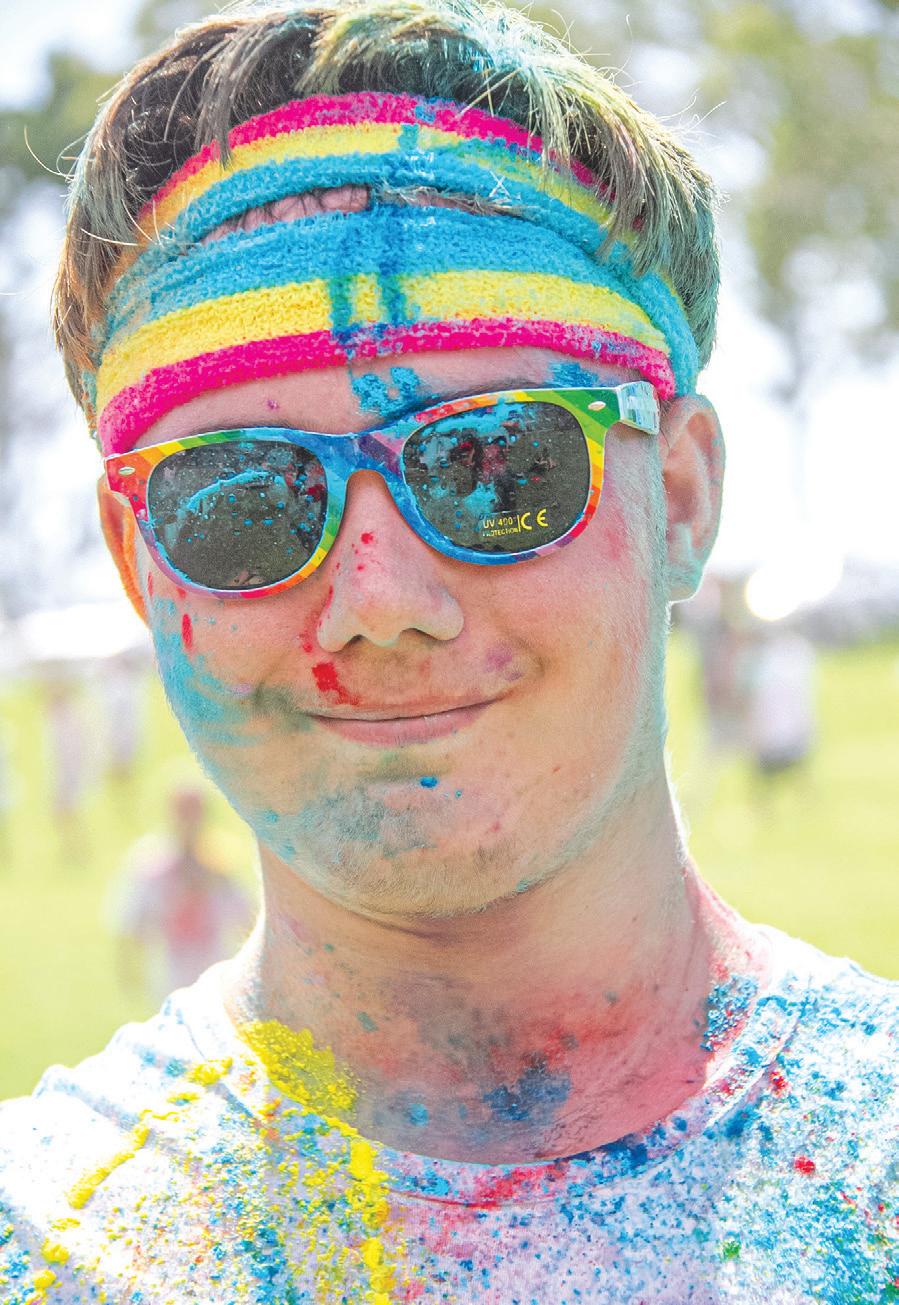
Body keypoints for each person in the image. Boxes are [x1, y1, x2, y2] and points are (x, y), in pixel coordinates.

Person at [1, 2, 896, 1301]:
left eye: (497, 464)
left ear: (681, 497)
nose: (378, 603)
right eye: (240, 499)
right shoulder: (47, 1248)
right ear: (138, 562)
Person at [110, 779, 255, 1003]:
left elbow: (248, 920)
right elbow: (130, 922)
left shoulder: (218, 864)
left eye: (195, 814)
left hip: (214, 980)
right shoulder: (152, 865)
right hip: (169, 978)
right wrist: (129, 965)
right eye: (183, 813)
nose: (189, 822)